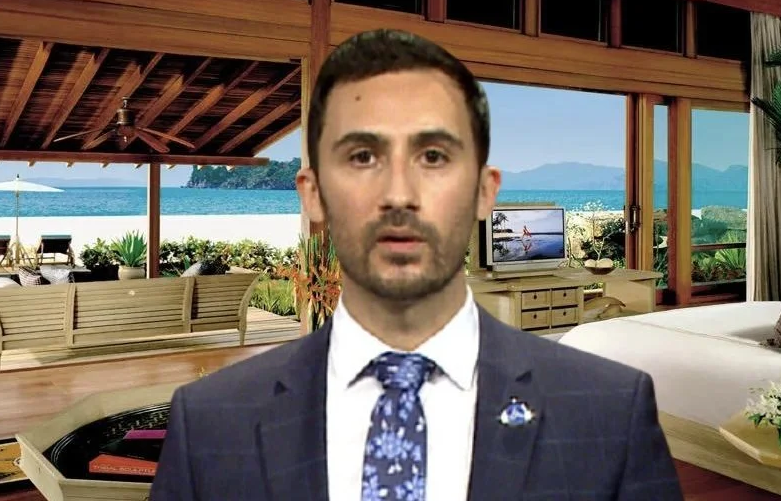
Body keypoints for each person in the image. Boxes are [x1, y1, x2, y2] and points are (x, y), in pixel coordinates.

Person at [150, 29, 683, 500]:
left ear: (484, 191)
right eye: (362, 157)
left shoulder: (610, 414)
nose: (399, 194)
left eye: (433, 157)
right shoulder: (210, 425)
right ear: (313, 194)